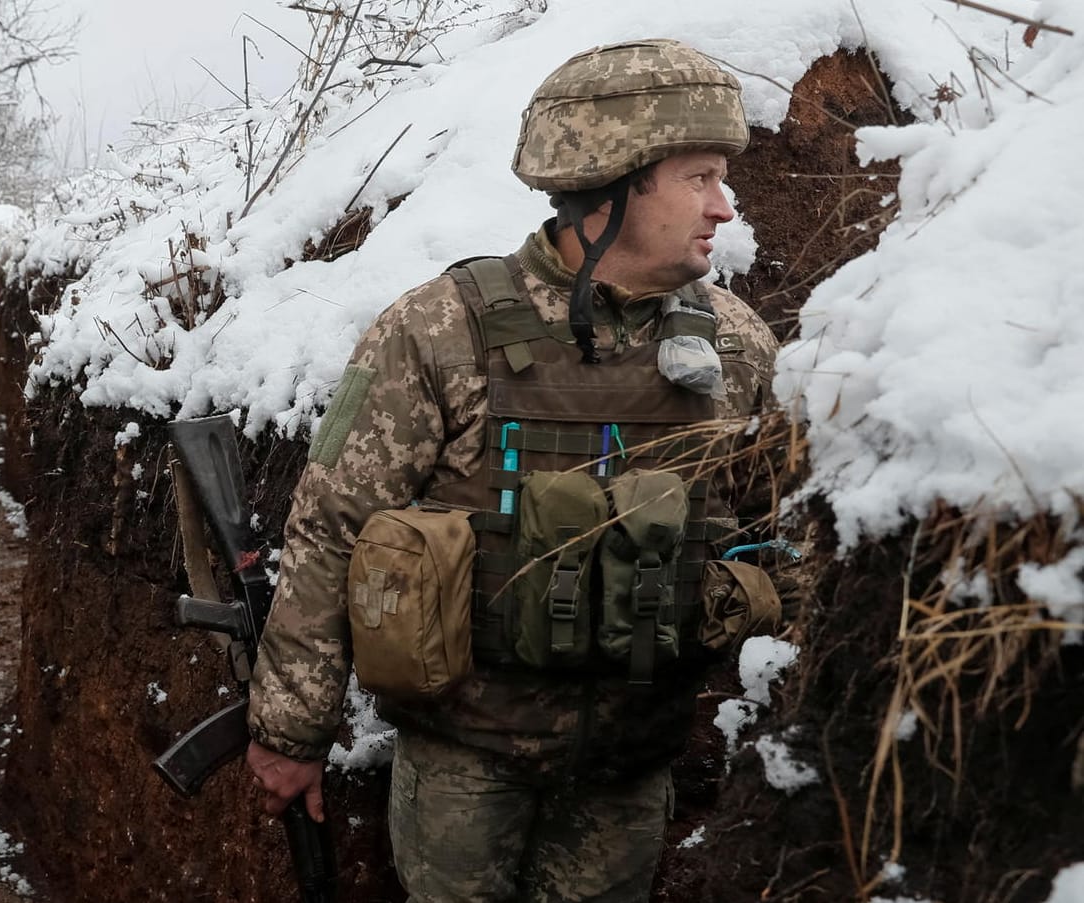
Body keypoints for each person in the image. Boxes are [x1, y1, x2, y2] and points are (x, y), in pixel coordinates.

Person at [244, 38, 782, 902]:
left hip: (630, 766)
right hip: (466, 761)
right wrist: (291, 727)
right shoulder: (440, 332)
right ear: (611, 180)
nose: (724, 206)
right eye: (700, 177)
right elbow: (330, 531)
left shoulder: (737, 346)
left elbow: (766, 531)